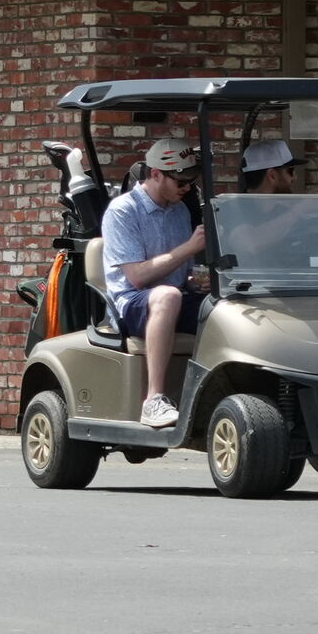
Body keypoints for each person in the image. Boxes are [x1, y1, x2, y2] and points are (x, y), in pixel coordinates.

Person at [100, 140, 210, 427]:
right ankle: (154, 399)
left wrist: (199, 282)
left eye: (192, 179)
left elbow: (180, 274)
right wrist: (188, 248)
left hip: (172, 295)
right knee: (167, 297)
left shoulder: (180, 212)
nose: (188, 187)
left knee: (223, 305)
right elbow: (137, 277)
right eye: (182, 179)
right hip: (130, 302)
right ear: (157, 174)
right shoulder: (123, 210)